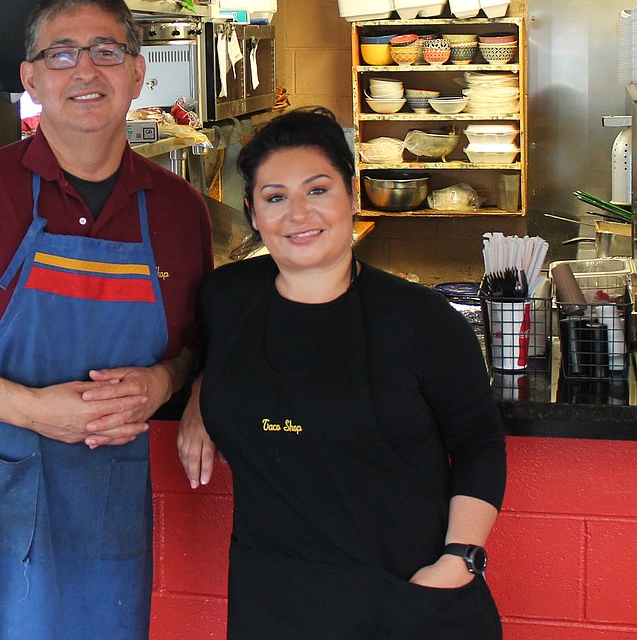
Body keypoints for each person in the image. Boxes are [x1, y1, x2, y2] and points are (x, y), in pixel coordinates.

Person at [0, 0, 213, 640]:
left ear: (139, 73)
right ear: (32, 78)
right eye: (61, 53)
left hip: (98, 505)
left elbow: (199, 345)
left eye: (106, 51)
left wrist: (167, 381)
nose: (85, 69)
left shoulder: (179, 213)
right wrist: (33, 411)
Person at [178, 107, 506, 640]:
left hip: (406, 596)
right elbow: (221, 361)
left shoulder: (421, 321)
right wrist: (199, 391)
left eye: (318, 190)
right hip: (274, 600)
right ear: (253, 213)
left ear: (352, 196)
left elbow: (479, 443)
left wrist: (459, 559)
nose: (299, 214)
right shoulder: (227, 298)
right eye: (275, 196)